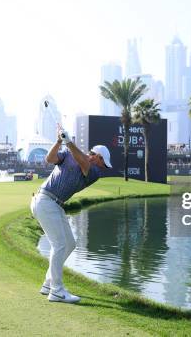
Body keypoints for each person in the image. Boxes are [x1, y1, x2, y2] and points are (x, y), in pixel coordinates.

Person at [30, 125, 112, 304]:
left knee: (70, 244)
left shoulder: (94, 172)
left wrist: (68, 141)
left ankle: (48, 283)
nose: (104, 167)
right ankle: (57, 291)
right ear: (97, 156)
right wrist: (59, 141)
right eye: (103, 162)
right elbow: (50, 158)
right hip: (44, 200)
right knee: (59, 245)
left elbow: (83, 163)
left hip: (54, 205)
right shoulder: (68, 155)